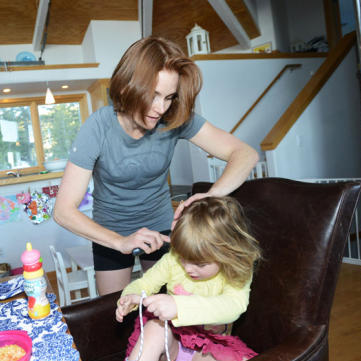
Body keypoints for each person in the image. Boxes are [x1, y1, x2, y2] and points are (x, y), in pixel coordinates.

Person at [53, 36, 259, 295]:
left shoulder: (174, 118)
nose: (161, 108)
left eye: (169, 97)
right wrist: (120, 242)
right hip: (110, 230)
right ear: (128, 87)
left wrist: (211, 195)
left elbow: (245, 153)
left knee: (167, 305)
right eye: (153, 95)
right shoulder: (97, 127)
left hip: (161, 226)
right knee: (116, 308)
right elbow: (63, 211)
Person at [114, 196, 261, 361]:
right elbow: (144, 284)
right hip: (172, 343)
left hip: (207, 349)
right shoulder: (173, 260)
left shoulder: (237, 269)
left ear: (226, 253)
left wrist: (178, 306)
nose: (188, 268)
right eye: (183, 258)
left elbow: (234, 306)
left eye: (199, 264)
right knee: (155, 328)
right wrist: (129, 297)